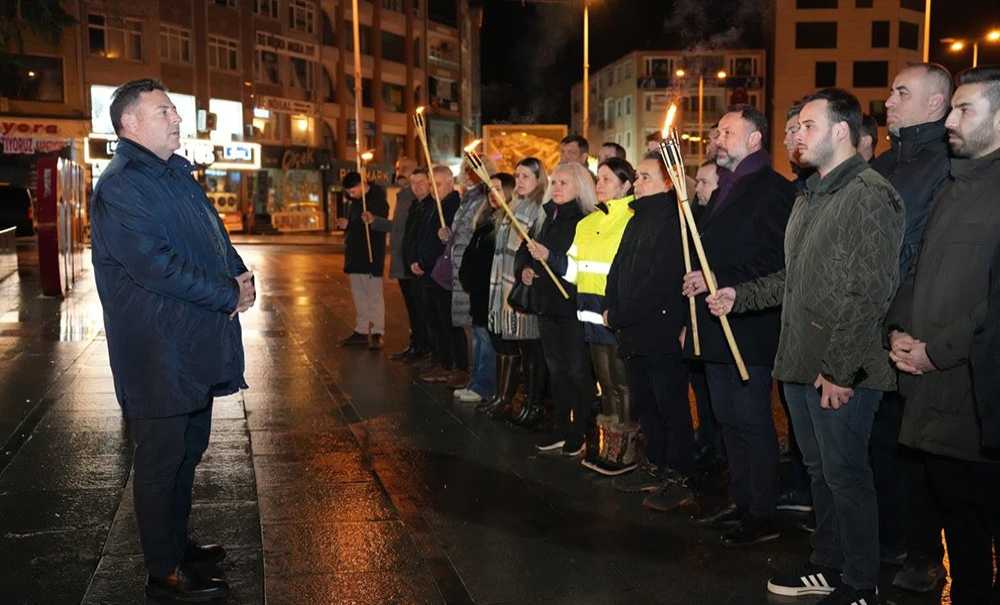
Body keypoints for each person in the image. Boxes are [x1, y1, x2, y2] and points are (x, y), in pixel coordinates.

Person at [707, 88, 904, 605]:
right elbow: (793, 280)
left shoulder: (868, 194)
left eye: (807, 126)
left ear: (842, 131)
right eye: (792, 127)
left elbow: (869, 292)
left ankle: (861, 583)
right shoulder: (812, 194)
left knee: (845, 473)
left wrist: (841, 370)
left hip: (841, 370)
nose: (795, 134)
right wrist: (739, 295)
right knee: (820, 472)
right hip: (798, 363)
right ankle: (829, 563)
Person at [90, 79, 253, 601]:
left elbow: (211, 234)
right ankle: (163, 571)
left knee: (188, 451)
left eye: (175, 111)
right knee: (161, 462)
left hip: (190, 343)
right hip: (158, 351)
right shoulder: (121, 185)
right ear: (129, 124)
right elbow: (154, 266)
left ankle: (177, 544)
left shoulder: (175, 173)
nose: (177, 119)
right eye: (164, 112)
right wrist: (224, 294)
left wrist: (239, 274)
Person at [887, 65, 1000, 605]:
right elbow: (918, 268)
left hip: (977, 390)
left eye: (965, 110)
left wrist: (938, 351)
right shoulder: (955, 185)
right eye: (951, 107)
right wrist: (899, 331)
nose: (951, 120)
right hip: (932, 386)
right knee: (960, 524)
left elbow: (992, 307)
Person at [682, 105, 796, 547]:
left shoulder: (772, 190)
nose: (717, 137)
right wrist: (699, 275)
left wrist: (724, 281)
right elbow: (714, 250)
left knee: (751, 420)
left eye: (728, 132)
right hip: (717, 322)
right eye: (717, 131)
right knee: (726, 418)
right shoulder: (725, 186)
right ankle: (742, 500)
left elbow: (777, 260)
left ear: (755, 140)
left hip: (749, 325)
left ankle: (762, 513)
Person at [869, 61, 953, 591]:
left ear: (935, 105)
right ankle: (887, 539)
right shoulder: (884, 163)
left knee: (921, 451)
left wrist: (901, 324)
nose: (889, 102)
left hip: (912, 330)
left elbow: (920, 255)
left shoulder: (945, 166)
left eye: (902, 92)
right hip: (874, 329)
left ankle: (923, 552)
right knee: (880, 443)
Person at [605, 152, 694, 512]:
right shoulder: (637, 218)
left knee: (669, 403)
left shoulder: (672, 219)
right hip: (632, 330)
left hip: (658, 329)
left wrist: (622, 312)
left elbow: (658, 280)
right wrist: (611, 303)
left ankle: (679, 475)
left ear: (667, 182)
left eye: (643, 177)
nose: (636, 183)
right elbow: (619, 265)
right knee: (646, 403)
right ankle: (655, 464)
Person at [539, 157, 637, 475]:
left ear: (626, 185)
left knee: (622, 384)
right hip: (590, 314)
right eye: (599, 179)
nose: (601, 184)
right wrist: (550, 257)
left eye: (608, 179)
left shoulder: (633, 219)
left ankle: (625, 449)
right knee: (606, 384)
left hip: (617, 314)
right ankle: (610, 446)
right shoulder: (588, 223)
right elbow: (574, 271)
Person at [522, 163, 597, 456]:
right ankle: (561, 427)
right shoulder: (546, 216)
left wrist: (549, 256)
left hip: (571, 306)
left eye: (564, 183)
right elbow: (528, 250)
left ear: (580, 186)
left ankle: (580, 431)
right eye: (554, 182)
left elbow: (578, 266)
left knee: (577, 371)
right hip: (547, 303)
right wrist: (526, 269)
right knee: (556, 371)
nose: (556, 188)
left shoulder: (586, 221)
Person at [482, 157, 547, 424]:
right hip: (505, 285)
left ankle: (534, 404)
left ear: (538, 179)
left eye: (525, 177)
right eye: (517, 176)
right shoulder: (514, 206)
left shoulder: (539, 209)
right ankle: (505, 398)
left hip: (524, 288)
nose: (519, 181)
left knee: (532, 352)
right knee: (514, 347)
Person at [455, 174, 510, 404]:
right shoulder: (486, 220)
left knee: (486, 340)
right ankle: (475, 380)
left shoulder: (506, 223)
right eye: (490, 189)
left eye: (498, 189)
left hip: (490, 291)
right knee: (478, 337)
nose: (492, 194)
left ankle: (484, 386)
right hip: (478, 290)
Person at [411, 166, 463, 385]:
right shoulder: (435, 205)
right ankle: (441, 359)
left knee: (447, 322)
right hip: (430, 272)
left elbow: (446, 240)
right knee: (434, 319)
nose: (433, 188)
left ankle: (452, 364)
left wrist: (446, 237)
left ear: (450, 183)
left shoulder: (452, 205)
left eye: (438, 184)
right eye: (431, 184)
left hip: (441, 273)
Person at [445, 161, 492, 399]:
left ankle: (481, 382)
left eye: (472, 170)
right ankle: (474, 377)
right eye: (465, 170)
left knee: (479, 331)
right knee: (470, 328)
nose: (466, 175)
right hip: (462, 269)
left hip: (475, 271)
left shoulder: (486, 199)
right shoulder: (468, 199)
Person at [370, 157, 422, 360]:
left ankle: (421, 346)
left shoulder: (414, 196)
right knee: (411, 307)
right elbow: (398, 227)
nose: (400, 172)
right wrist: (376, 222)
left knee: (418, 307)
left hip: (411, 261)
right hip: (402, 260)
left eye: (406, 169)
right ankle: (416, 344)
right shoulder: (402, 196)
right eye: (399, 168)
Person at [338, 171, 390, 350]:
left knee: (374, 295)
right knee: (359, 295)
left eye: (353, 191)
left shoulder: (377, 198)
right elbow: (355, 225)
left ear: (362, 184)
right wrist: (347, 224)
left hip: (371, 254)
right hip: (355, 254)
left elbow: (380, 221)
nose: (350, 195)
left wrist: (371, 219)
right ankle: (361, 330)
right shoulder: (354, 201)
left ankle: (377, 331)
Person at [400, 168, 435, 363]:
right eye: (413, 183)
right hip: (412, 267)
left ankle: (426, 348)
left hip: (424, 268)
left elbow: (428, 239)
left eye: (421, 182)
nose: (417, 186)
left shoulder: (432, 205)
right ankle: (417, 344)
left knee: (425, 312)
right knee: (414, 309)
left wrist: (419, 261)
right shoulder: (415, 205)